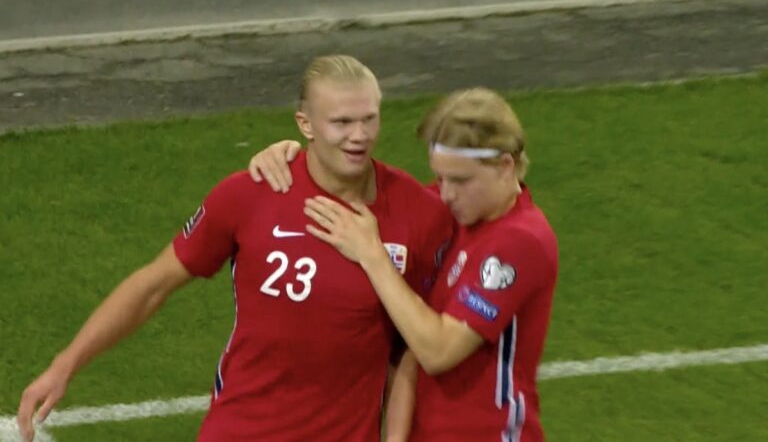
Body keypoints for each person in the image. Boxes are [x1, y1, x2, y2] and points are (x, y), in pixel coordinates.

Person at [16, 55, 453, 442]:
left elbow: (415, 346)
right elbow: (153, 285)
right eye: (341, 123)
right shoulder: (251, 194)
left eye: (369, 119)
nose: (359, 135)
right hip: (241, 430)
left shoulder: (419, 214)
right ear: (305, 125)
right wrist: (65, 364)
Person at [249, 87, 558, 441]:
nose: (446, 194)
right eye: (440, 178)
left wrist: (373, 256)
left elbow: (437, 350)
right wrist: (292, 162)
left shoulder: (520, 241)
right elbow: (348, 200)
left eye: (460, 180)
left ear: (505, 167)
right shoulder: (452, 211)